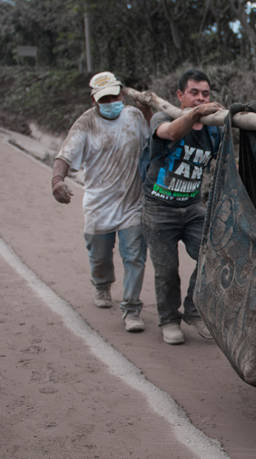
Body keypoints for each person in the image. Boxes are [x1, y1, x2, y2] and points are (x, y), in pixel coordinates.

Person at [51, 71, 150, 333]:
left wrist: (148, 112)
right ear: (94, 101)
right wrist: (57, 180)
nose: (110, 102)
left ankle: (131, 309)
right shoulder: (86, 123)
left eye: (114, 96)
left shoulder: (134, 116)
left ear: (121, 94)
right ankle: (102, 284)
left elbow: (151, 141)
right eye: (104, 99)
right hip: (99, 204)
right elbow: (65, 155)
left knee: (135, 257)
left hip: (132, 203)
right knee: (100, 257)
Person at [142, 69, 223, 345]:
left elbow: (227, 165)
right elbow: (172, 132)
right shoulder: (163, 117)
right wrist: (196, 114)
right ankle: (168, 320)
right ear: (180, 95)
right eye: (194, 93)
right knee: (166, 270)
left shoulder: (214, 130)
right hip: (159, 208)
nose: (200, 98)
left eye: (205, 94)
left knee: (213, 254)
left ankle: (194, 310)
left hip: (192, 208)